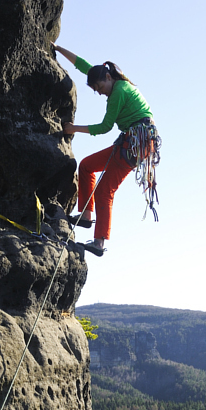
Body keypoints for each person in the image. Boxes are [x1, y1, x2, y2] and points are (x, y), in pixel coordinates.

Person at [52, 44, 160, 256]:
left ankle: (99, 243)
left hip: (137, 142)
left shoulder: (119, 92)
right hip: (134, 140)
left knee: (105, 189)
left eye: (99, 88)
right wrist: (59, 48)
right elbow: (83, 65)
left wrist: (74, 128)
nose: (99, 93)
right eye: (95, 90)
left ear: (108, 78)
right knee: (86, 166)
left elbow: (105, 127)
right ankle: (86, 216)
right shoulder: (111, 80)